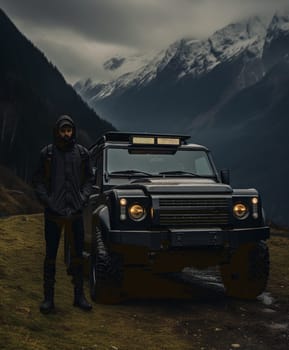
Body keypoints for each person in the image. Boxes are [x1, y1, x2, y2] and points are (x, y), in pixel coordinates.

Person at [32, 115, 94, 313]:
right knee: (50, 257)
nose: (66, 134)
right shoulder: (47, 153)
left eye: (69, 130)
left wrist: (82, 198)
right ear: (57, 131)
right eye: (63, 130)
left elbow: (89, 180)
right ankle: (48, 299)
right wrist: (48, 201)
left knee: (77, 258)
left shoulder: (82, 153)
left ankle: (79, 297)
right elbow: (38, 181)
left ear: (72, 131)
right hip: (53, 215)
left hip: (75, 213)